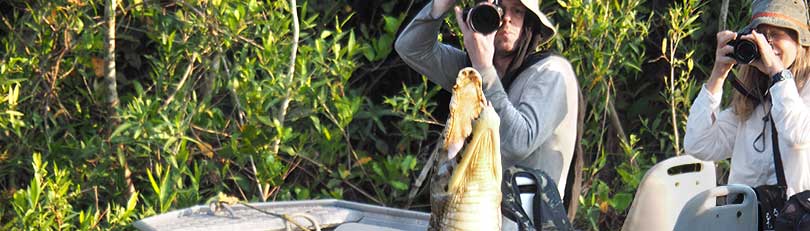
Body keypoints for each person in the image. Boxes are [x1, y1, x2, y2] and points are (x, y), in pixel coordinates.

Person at [395, 0, 579, 205]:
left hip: (527, 223)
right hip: (475, 216)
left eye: (517, 11)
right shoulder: (472, 70)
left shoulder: (551, 72)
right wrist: (440, 6)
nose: (506, 19)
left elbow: (517, 144)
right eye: (499, 11)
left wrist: (483, 67)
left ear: (530, 24)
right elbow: (411, 49)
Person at [683, 0, 810, 198]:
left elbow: (797, 135)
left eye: (776, 34)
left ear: (800, 40)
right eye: (760, 36)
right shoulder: (754, 95)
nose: (767, 45)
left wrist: (778, 73)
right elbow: (698, 144)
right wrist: (718, 75)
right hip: (746, 218)